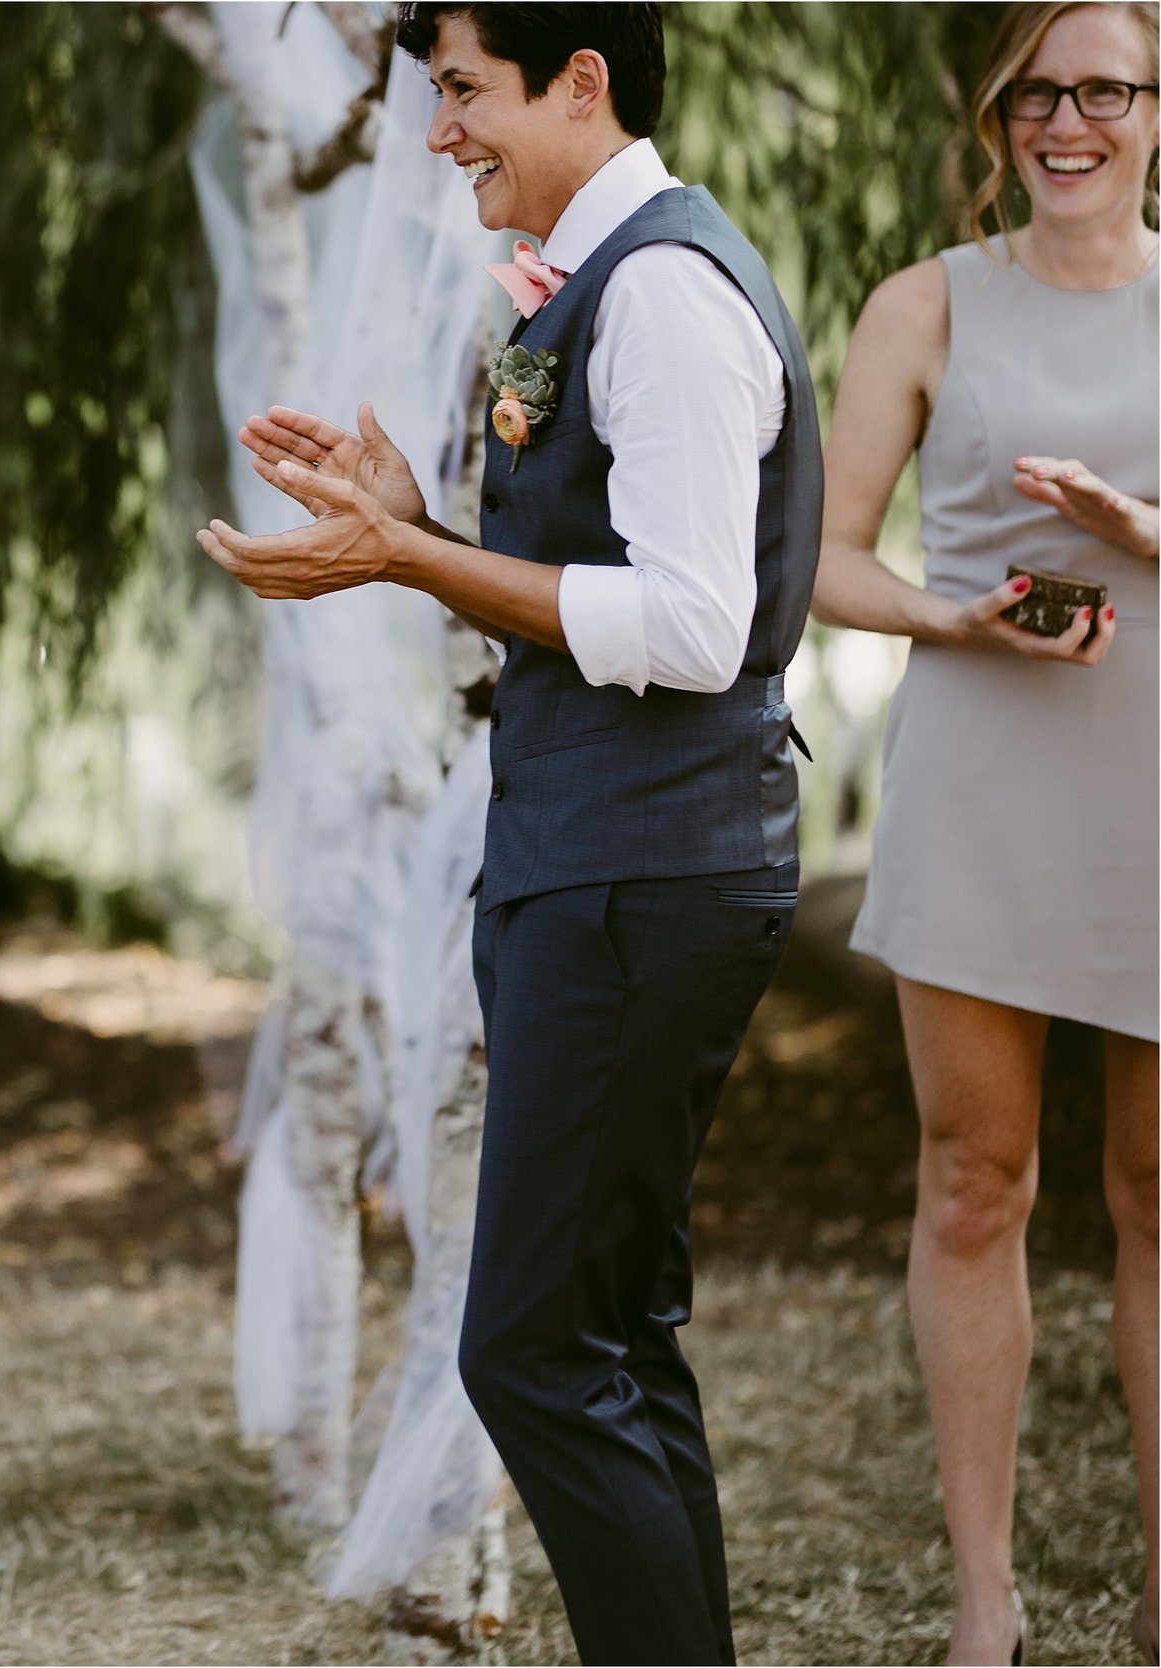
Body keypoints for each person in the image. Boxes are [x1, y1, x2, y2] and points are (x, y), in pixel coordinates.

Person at [199, 5, 821, 1659]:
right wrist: (415, 511)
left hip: (645, 868)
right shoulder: (603, 275)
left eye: (465, 93)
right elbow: (606, 575)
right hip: (608, 852)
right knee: (614, 1329)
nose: (438, 130)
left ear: (581, 81)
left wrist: (407, 564)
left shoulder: (669, 295)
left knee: (533, 1344)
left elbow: (695, 625)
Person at [813, 5, 1159, 1660]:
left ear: (1157, 110)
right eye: (1040, 91)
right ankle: (984, 1606)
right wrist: (972, 621)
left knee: (1159, 1189)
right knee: (973, 1179)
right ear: (999, 115)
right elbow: (818, 557)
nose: (1068, 120)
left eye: (1105, 88)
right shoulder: (925, 303)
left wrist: (1141, 529)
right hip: (980, 780)